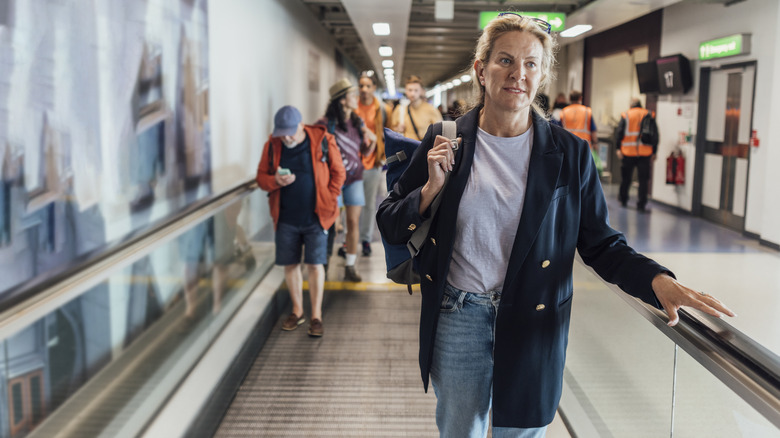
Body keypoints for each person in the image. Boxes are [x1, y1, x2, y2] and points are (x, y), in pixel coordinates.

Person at [376, 13, 735, 437]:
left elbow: (601, 244)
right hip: (458, 317)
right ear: (481, 69)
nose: (518, 74)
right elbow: (390, 220)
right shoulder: (446, 138)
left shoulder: (570, 154)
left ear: (542, 75)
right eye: (505, 61)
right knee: (459, 429)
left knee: (522, 431)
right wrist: (428, 192)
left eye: (531, 64)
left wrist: (656, 280)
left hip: (534, 320)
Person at [256, 105, 345, 337]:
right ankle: (297, 310)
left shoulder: (323, 139)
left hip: (317, 217)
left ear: (301, 125)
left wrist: (328, 197)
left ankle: (316, 315)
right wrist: (275, 180)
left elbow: (339, 173)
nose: (286, 137)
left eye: (289, 131)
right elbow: (261, 178)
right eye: (281, 132)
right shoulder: (272, 146)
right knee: (290, 264)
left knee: (315, 265)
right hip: (285, 218)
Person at [318, 78, 375, 282]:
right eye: (351, 95)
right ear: (342, 100)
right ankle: (323, 263)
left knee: (352, 222)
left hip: (354, 179)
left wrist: (372, 144)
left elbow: (362, 150)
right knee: (330, 224)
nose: (356, 97)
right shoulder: (324, 125)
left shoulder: (357, 122)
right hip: (332, 181)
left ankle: (350, 264)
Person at [355, 72, 392, 257]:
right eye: (361, 86)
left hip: (373, 163)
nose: (364, 89)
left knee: (369, 205)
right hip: (352, 163)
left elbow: (390, 133)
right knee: (351, 204)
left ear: (374, 88)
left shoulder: (382, 108)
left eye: (367, 86)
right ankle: (349, 241)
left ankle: (366, 239)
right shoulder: (352, 106)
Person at [615, 98, 658, 212]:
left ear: (631, 105)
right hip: (645, 153)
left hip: (628, 152)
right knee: (643, 180)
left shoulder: (626, 115)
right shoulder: (649, 115)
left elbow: (619, 132)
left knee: (626, 178)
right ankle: (641, 203)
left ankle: (623, 199)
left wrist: (618, 148)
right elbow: (655, 135)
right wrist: (654, 151)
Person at [560, 90, 601, 174]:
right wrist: (596, 144)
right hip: (584, 146)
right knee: (583, 171)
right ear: (580, 98)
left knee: (570, 171)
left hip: (568, 145)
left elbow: (560, 130)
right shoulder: (587, 111)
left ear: (569, 98)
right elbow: (593, 130)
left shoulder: (564, 112)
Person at [391, 75, 443, 140]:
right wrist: (398, 129)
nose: (412, 94)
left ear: (421, 91)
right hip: (406, 148)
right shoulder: (400, 109)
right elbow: (392, 129)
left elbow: (440, 132)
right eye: (410, 90)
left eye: (416, 90)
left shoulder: (431, 110)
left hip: (424, 148)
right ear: (406, 91)